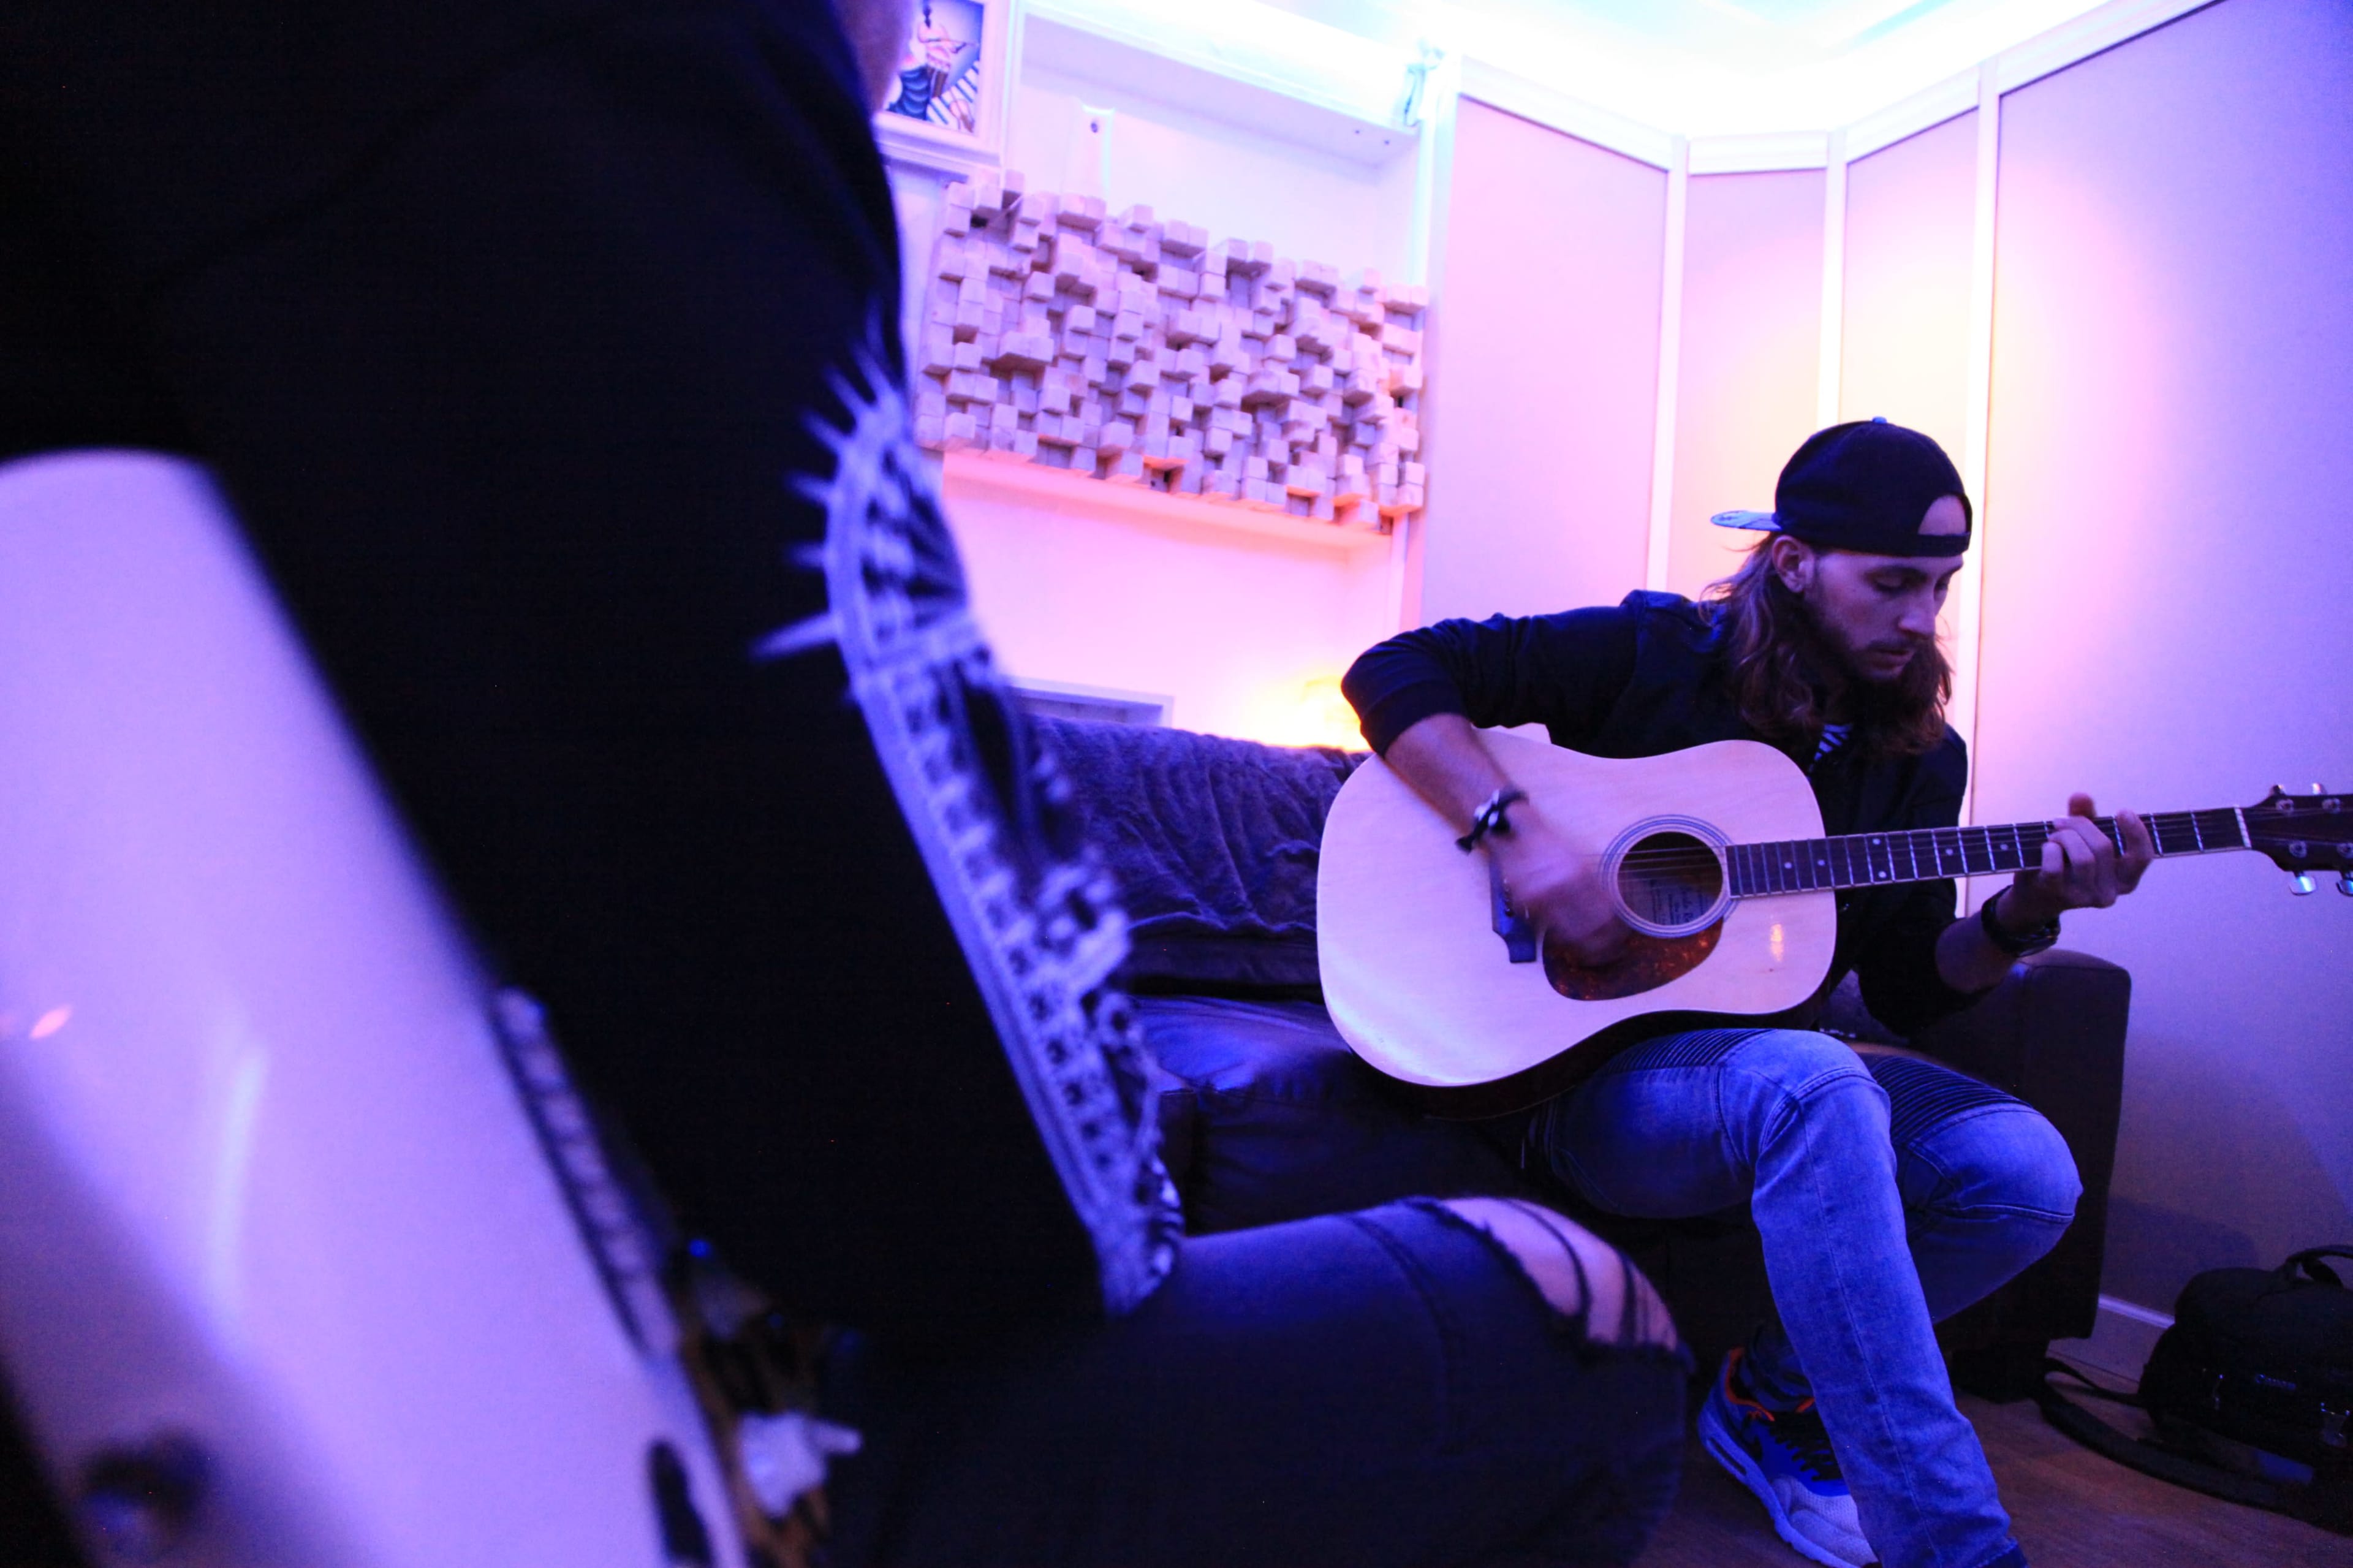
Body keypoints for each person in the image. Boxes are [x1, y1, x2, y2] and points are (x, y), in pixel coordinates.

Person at [0, 0, 1687, 1562]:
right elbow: (998, 1204)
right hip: (539, 1434)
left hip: (299, 1280)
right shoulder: (637, 64)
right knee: (1574, 1324)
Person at [1343, 419, 2154, 1568]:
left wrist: (2025, 912)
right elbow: (1392, 670)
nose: (1921, 618)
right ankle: (1957, 1548)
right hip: (1571, 1074)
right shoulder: (1651, 655)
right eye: (1892, 584)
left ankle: (1767, 1394)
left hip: (1770, 1073)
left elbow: (1912, 989)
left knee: (2025, 1174)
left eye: (1940, 587)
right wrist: (1518, 840)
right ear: (1793, 562)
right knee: (1813, 1081)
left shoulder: (1923, 758)